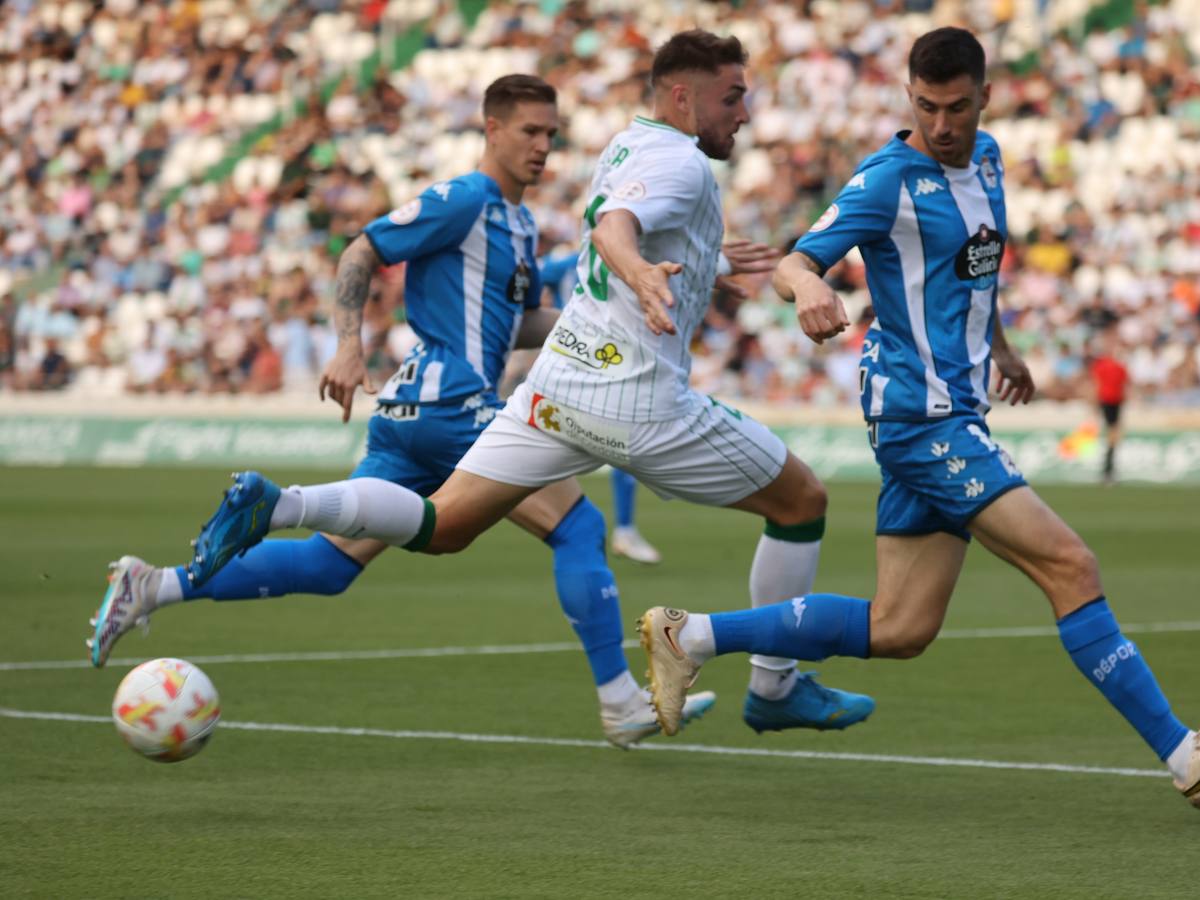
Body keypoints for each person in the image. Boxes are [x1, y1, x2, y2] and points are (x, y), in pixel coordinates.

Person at [177, 31, 875, 735]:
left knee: (445, 525)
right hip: (636, 400)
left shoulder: (627, 145)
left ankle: (282, 506)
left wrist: (701, 262)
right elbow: (613, 229)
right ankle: (773, 687)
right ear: (682, 96)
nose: (745, 115)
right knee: (801, 501)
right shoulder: (683, 165)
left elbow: (619, 227)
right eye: (733, 97)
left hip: (556, 384)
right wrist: (640, 272)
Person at [636, 28, 1200, 811]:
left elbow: (977, 269)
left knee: (901, 626)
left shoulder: (991, 159)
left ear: (985, 98)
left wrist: (999, 346)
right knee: (1071, 566)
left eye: (956, 107)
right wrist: (808, 290)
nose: (941, 124)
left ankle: (688, 636)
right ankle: (1185, 758)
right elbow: (801, 258)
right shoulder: (889, 179)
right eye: (926, 107)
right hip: (921, 417)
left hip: (952, 406)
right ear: (910, 98)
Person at [87, 75, 713, 749]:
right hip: (456, 405)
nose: (543, 146)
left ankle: (153, 587)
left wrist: (619, 320)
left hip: (414, 415)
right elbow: (364, 248)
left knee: (329, 569)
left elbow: (519, 323)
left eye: (552, 134)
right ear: (491, 128)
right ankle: (620, 703)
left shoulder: (518, 219)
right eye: (530, 131)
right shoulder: (466, 198)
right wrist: (349, 347)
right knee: (578, 528)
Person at [538, 249, 662, 565]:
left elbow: (532, 278)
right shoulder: (609, 259)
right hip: (595, 360)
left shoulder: (569, 262)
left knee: (618, 443)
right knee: (622, 441)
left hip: (577, 358)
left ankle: (620, 529)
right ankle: (622, 529)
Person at [1087, 333, 1130, 483]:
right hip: (1110, 401)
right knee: (1113, 434)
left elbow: (1096, 385)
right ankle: (1108, 469)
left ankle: (1108, 468)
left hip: (1109, 401)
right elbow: (1125, 387)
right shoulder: (1115, 366)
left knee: (1112, 434)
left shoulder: (1107, 366)